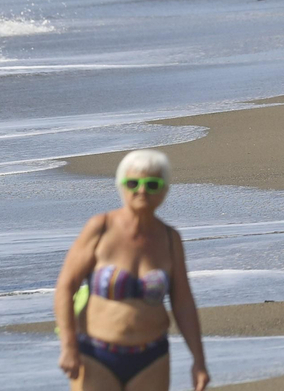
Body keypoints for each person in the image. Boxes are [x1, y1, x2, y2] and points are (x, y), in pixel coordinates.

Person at [55, 149, 209, 391]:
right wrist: (69, 346)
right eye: (133, 182)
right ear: (121, 185)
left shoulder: (170, 239)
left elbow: (183, 303)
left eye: (152, 184)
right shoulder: (100, 228)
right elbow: (65, 287)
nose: (141, 190)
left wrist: (199, 360)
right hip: (95, 355)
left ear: (165, 190)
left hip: (152, 357)